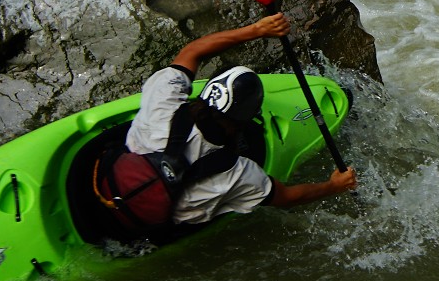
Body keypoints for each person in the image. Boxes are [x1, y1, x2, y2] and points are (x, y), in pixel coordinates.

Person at [121, 12, 356, 227]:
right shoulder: (238, 174)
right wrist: (334, 186)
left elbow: (192, 51)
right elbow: (287, 197)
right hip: (157, 219)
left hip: (114, 181)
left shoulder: (164, 97)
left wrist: (257, 30)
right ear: (240, 124)